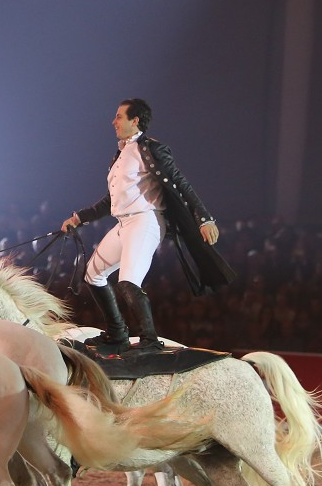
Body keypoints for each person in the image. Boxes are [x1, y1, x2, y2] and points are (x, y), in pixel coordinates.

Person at [61, 98, 222, 354]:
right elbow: (110, 201)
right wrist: (79, 218)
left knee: (128, 282)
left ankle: (149, 341)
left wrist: (204, 218)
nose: (113, 121)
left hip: (145, 220)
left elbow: (180, 183)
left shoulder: (150, 149)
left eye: (119, 117)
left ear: (135, 121)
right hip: (124, 223)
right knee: (93, 274)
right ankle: (117, 334)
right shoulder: (121, 154)